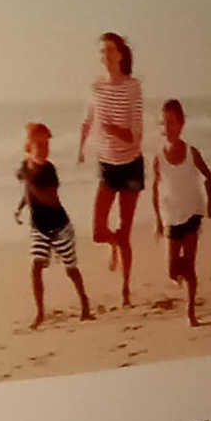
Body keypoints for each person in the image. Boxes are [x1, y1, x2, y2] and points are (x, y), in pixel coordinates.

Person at [77, 31, 149, 308]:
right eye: (102, 51)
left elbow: (136, 135)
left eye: (109, 50)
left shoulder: (133, 87)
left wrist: (112, 129)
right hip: (107, 165)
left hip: (130, 165)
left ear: (120, 54)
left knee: (125, 231)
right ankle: (114, 244)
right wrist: (81, 148)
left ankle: (125, 290)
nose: (105, 56)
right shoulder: (96, 87)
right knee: (98, 231)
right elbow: (88, 119)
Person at [148, 96, 211, 325]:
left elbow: (207, 174)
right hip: (171, 216)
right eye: (164, 123)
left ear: (181, 124)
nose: (168, 127)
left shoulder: (191, 152)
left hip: (192, 213)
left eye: (172, 122)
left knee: (189, 265)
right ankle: (182, 278)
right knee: (171, 270)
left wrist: (210, 202)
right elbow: (154, 189)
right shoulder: (159, 157)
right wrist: (158, 220)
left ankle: (191, 311)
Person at [17, 122, 93, 326]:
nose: (45, 149)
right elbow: (28, 192)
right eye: (40, 145)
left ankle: (85, 303)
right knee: (36, 266)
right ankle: (40, 312)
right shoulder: (25, 167)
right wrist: (20, 208)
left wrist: (30, 183)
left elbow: (50, 199)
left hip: (60, 226)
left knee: (71, 268)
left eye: (47, 144)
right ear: (28, 147)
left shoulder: (49, 170)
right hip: (39, 227)